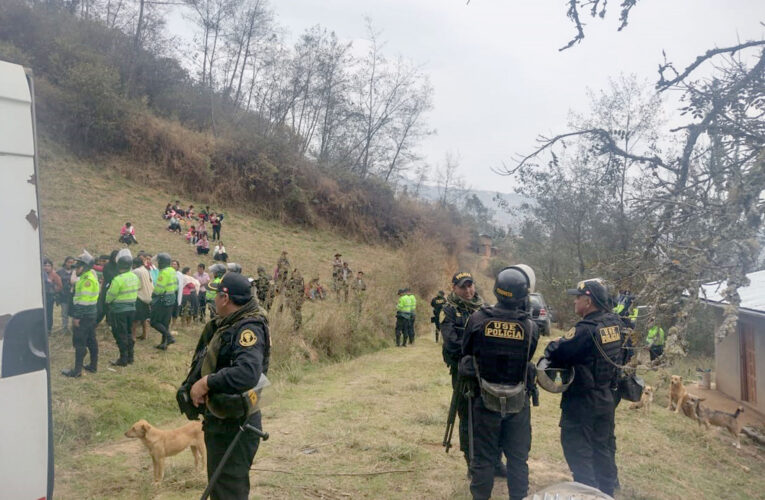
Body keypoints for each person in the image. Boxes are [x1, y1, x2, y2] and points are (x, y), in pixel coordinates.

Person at [187, 272, 270, 500]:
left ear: (225, 298)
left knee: (228, 491)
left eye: (216, 294)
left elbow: (247, 373)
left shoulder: (248, 328)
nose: (213, 299)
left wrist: (207, 382)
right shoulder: (231, 323)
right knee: (222, 489)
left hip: (236, 425)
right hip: (225, 420)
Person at [461, 265, 539, 500]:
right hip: (517, 402)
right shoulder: (530, 327)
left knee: (483, 458)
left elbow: (467, 350)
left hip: (483, 401)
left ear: (496, 290)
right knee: (517, 459)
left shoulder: (477, 319)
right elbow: (529, 355)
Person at [543, 278, 624, 497]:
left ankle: (587, 495)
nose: (574, 302)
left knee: (580, 455)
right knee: (602, 451)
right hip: (606, 399)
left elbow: (557, 352)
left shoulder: (585, 330)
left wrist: (554, 344)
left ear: (588, 301)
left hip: (582, 403)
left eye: (577, 298)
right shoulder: (614, 323)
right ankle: (607, 494)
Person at [440, 271, 485, 474]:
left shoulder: (484, 309)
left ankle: (492, 460)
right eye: (462, 287)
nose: (468, 290)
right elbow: (450, 343)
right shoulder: (449, 310)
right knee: (466, 417)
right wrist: (474, 351)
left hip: (484, 371)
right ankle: (471, 462)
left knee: (487, 416)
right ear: (454, 288)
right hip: (461, 372)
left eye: (470, 285)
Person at [62, 251, 100, 377]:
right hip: (90, 315)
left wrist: (77, 317)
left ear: (84, 267)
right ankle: (93, 366)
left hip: (83, 316)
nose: (75, 269)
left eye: (77, 267)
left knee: (80, 343)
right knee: (91, 340)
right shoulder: (87, 277)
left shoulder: (86, 281)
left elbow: (82, 302)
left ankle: (77, 371)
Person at [105, 253, 139, 366]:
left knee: (120, 334)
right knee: (129, 333)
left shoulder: (118, 279)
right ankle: (131, 357)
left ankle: (123, 359)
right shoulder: (135, 277)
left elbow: (110, 295)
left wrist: (107, 301)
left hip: (119, 311)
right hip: (132, 309)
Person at [151, 253, 178, 350]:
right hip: (171, 298)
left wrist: (153, 294)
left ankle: (169, 337)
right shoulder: (172, 270)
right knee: (165, 322)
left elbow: (159, 289)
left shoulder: (163, 273)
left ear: (162, 262)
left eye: (159, 262)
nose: (158, 264)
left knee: (154, 321)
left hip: (163, 299)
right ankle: (164, 344)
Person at [132, 255, 153, 341]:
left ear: (134, 264)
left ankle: (133, 336)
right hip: (147, 296)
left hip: (139, 296)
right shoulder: (145, 270)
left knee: (134, 319)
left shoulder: (136, 271)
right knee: (144, 317)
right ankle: (145, 335)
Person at [42, 257, 62, 334]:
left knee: (49, 313)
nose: (46, 267)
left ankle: (48, 329)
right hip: (41, 296)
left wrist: (53, 290)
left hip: (49, 296)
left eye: (48, 265)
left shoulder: (54, 275)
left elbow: (60, 286)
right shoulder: (41, 274)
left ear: (51, 267)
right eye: (45, 265)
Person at [56, 256, 76, 333]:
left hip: (73, 296)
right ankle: (64, 328)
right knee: (64, 313)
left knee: (73, 312)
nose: (70, 264)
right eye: (69, 262)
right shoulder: (59, 272)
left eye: (72, 262)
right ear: (65, 262)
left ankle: (73, 327)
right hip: (63, 295)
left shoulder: (75, 272)